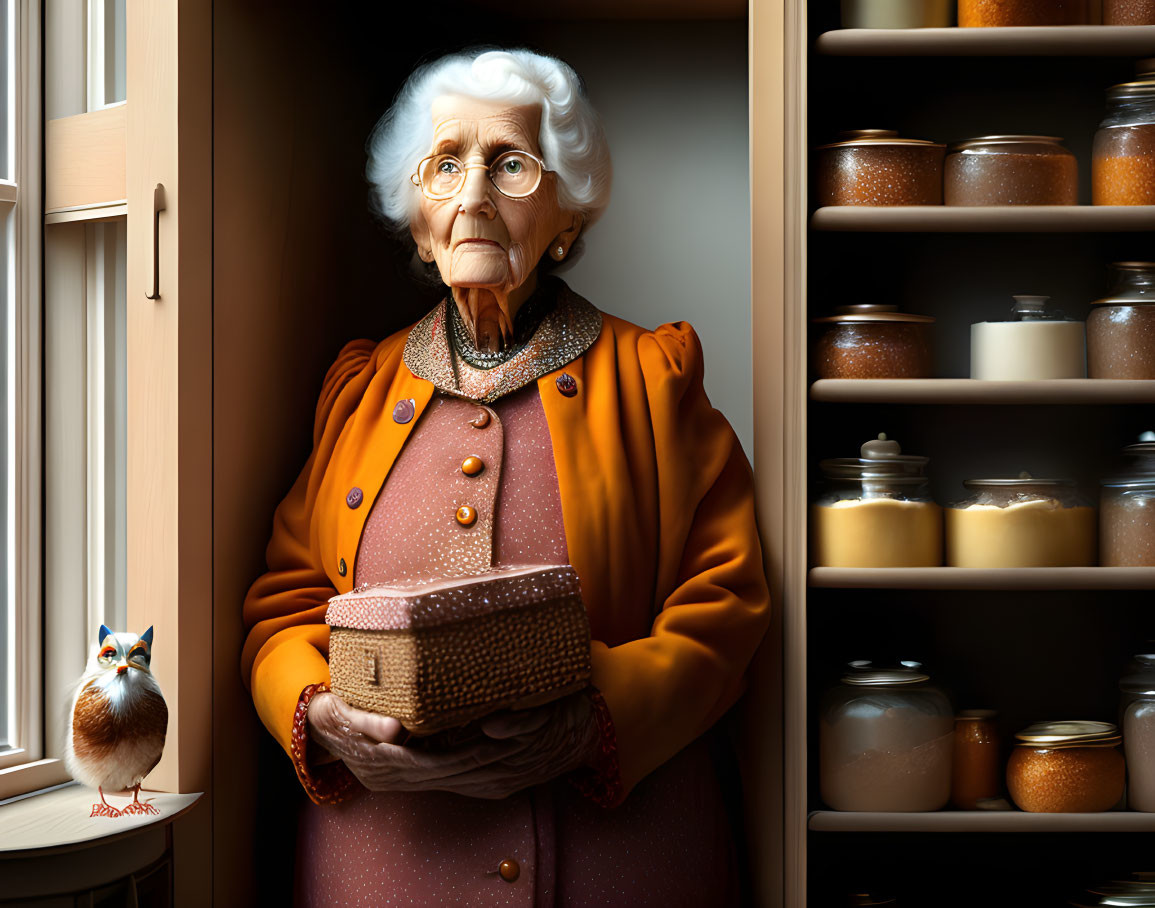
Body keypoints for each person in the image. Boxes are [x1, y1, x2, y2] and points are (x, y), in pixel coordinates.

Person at [241, 47, 771, 906]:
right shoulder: (357, 389)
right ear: (417, 220)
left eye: (511, 164)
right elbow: (283, 604)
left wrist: (591, 727)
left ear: (565, 214)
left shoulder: (654, 378)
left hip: (621, 856)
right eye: (446, 166)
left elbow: (727, 605)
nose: (473, 195)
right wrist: (318, 715)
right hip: (383, 866)